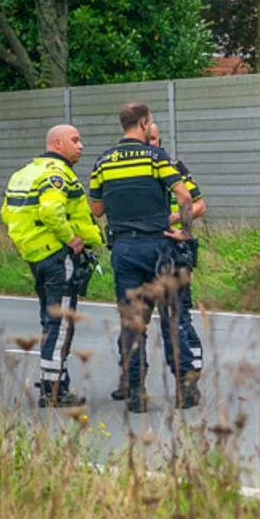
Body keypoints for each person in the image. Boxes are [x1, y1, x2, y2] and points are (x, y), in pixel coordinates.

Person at [89, 102, 200, 413]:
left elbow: (96, 209)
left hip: (124, 250)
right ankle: (183, 389)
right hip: (158, 247)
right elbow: (185, 196)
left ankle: (136, 392)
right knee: (172, 318)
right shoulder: (156, 157)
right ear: (144, 122)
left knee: (132, 322)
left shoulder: (103, 162)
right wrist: (185, 233)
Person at [0, 124, 104, 407]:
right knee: (60, 322)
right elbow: (50, 210)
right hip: (58, 256)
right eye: (75, 140)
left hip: (36, 255)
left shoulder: (25, 173)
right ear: (57, 144)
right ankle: (54, 390)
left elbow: (6, 212)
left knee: (49, 319)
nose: (81, 145)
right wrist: (72, 239)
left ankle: (52, 382)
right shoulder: (56, 174)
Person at [109, 122, 206, 401]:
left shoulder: (171, 165)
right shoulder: (126, 168)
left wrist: (176, 220)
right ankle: (130, 380)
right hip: (140, 249)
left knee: (176, 319)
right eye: (147, 138)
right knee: (134, 321)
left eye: (155, 140)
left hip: (169, 248)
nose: (150, 144)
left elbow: (198, 203)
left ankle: (189, 380)